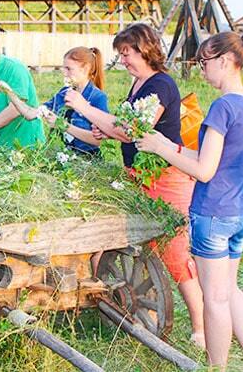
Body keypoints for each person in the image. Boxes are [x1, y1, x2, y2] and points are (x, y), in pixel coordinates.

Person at [63, 23, 205, 348]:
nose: (122, 59)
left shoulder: (162, 85)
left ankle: (200, 327)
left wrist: (87, 110)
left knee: (175, 253)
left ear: (145, 49)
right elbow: (122, 130)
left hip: (164, 179)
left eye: (126, 53)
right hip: (138, 176)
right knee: (146, 250)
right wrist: (103, 129)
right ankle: (146, 311)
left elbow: (132, 131)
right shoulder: (138, 83)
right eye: (121, 54)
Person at [137, 32, 243, 371]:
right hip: (240, 211)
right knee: (231, 291)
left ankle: (217, 368)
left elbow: (205, 170)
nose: (201, 70)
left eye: (204, 62)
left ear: (225, 61)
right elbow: (215, 157)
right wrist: (172, 147)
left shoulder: (222, 106)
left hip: (213, 214)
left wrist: (163, 149)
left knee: (215, 300)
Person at [0, 46, 109, 156]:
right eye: (64, 68)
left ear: (85, 69)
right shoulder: (64, 93)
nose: (64, 73)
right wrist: (9, 91)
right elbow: (30, 114)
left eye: (69, 69)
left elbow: (96, 141)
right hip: (68, 157)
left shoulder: (97, 98)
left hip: (89, 160)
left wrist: (62, 125)